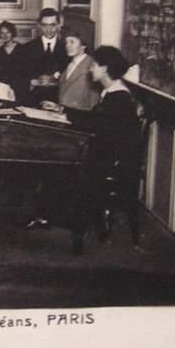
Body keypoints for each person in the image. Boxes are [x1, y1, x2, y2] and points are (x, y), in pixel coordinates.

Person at [40, 46, 143, 241]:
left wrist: (66, 116)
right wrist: (62, 109)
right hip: (108, 154)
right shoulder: (112, 92)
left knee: (58, 168)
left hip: (113, 163)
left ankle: (71, 223)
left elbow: (97, 126)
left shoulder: (118, 98)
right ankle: (58, 218)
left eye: (94, 65)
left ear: (105, 69)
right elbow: (96, 120)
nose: (90, 69)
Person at [16, 7, 69, 104]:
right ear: (39, 25)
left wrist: (54, 80)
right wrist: (32, 82)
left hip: (58, 99)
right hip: (33, 99)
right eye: (45, 25)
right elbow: (18, 77)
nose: (49, 29)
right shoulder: (26, 48)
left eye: (52, 25)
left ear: (58, 25)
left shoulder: (66, 49)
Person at [51, 30, 97, 110]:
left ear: (83, 45)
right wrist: (57, 107)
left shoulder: (92, 65)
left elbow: (94, 100)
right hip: (63, 116)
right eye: (66, 42)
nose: (67, 46)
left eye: (72, 42)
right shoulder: (68, 64)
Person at [0, 20, 23, 93]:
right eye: (2, 33)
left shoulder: (22, 49)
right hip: (4, 86)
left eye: (8, 32)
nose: (5, 35)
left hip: (20, 85)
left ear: (12, 33)